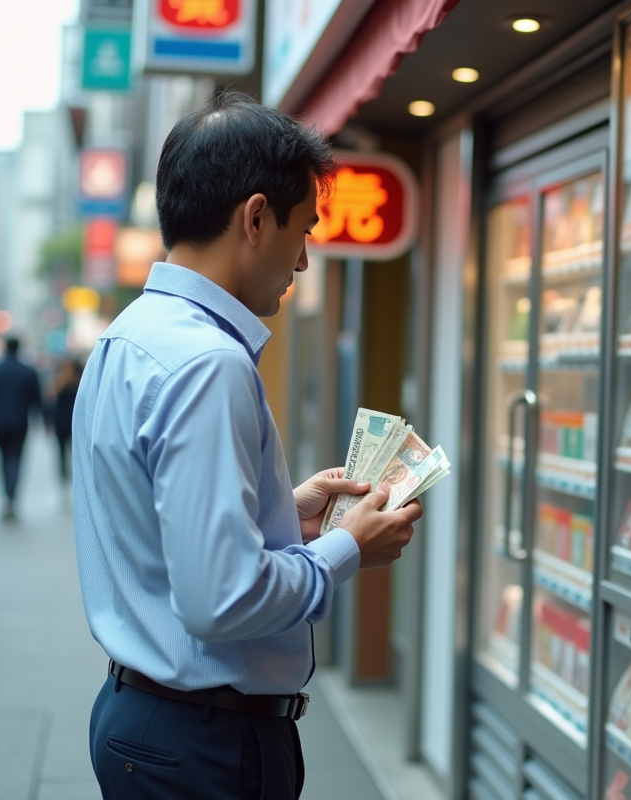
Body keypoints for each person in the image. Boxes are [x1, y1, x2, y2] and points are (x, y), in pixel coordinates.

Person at [74, 91, 423, 800]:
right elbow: (221, 601)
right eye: (304, 230)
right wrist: (348, 547)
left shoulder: (129, 335)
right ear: (256, 217)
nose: (301, 262)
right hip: (204, 744)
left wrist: (282, 512)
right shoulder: (211, 363)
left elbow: (150, 519)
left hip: (146, 720)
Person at [0, 337, 42, 521]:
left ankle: (6, 497)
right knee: (15, 458)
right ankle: (11, 498)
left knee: (3, 458)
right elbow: (36, 399)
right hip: (19, 422)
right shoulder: (28, 371)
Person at [46, 359, 81, 486]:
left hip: (60, 421)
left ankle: (63, 474)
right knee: (75, 450)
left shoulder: (59, 382)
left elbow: (50, 399)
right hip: (73, 421)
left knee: (61, 451)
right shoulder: (79, 381)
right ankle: (74, 473)